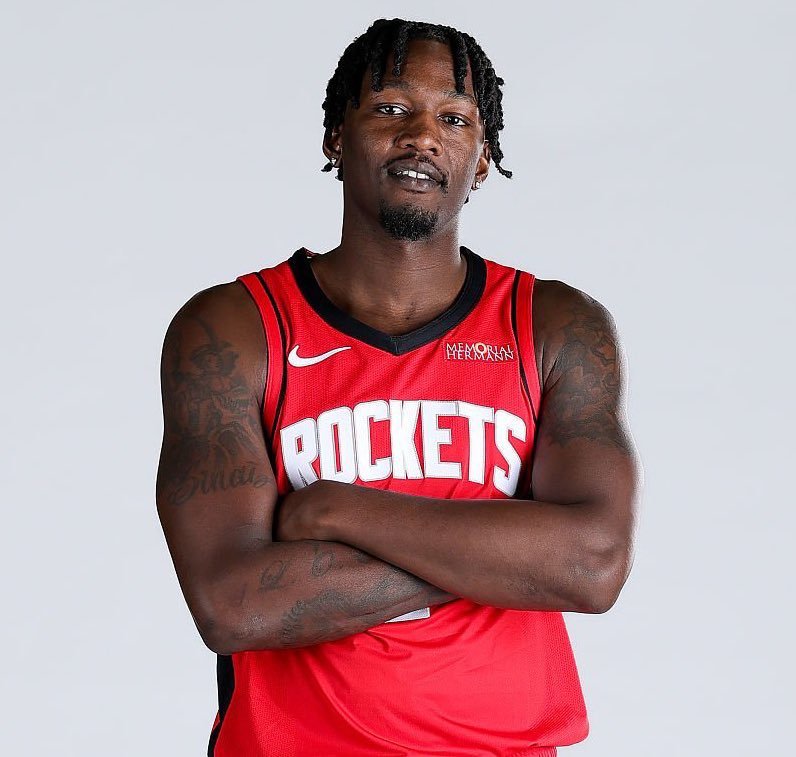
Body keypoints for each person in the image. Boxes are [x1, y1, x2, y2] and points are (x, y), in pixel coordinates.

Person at [156, 17, 639, 757]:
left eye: (454, 119)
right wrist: (504, 554)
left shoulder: (553, 325)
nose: (421, 136)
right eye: (389, 108)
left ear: (482, 160)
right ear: (336, 137)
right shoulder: (233, 329)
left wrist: (334, 510)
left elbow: (592, 565)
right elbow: (233, 606)